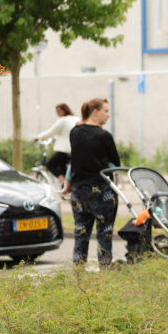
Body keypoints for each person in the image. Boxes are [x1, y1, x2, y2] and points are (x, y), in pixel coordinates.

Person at [69, 98, 121, 266]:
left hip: (78, 192)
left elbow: (75, 160)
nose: (109, 114)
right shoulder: (104, 136)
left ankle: (78, 272)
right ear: (95, 112)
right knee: (104, 232)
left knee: (81, 232)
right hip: (101, 191)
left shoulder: (74, 132)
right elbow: (116, 164)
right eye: (106, 111)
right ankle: (105, 269)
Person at [34, 103, 77, 185]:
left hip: (64, 150)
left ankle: (65, 184)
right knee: (62, 167)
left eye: (59, 111)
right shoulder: (75, 118)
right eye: (57, 111)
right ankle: (66, 185)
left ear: (65, 110)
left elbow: (50, 132)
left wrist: (38, 137)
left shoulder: (62, 120)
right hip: (74, 149)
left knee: (50, 165)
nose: (58, 113)